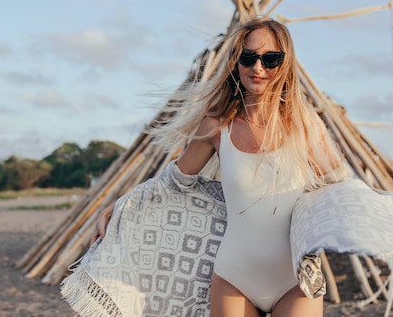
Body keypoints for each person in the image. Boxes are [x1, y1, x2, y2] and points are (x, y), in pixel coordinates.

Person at [90, 17, 350, 317]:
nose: (258, 67)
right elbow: (173, 182)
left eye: (271, 59)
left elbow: (342, 188)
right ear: (236, 62)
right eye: (248, 57)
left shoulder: (305, 127)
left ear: (285, 62)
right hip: (234, 278)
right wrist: (122, 206)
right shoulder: (216, 126)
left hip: (296, 278)